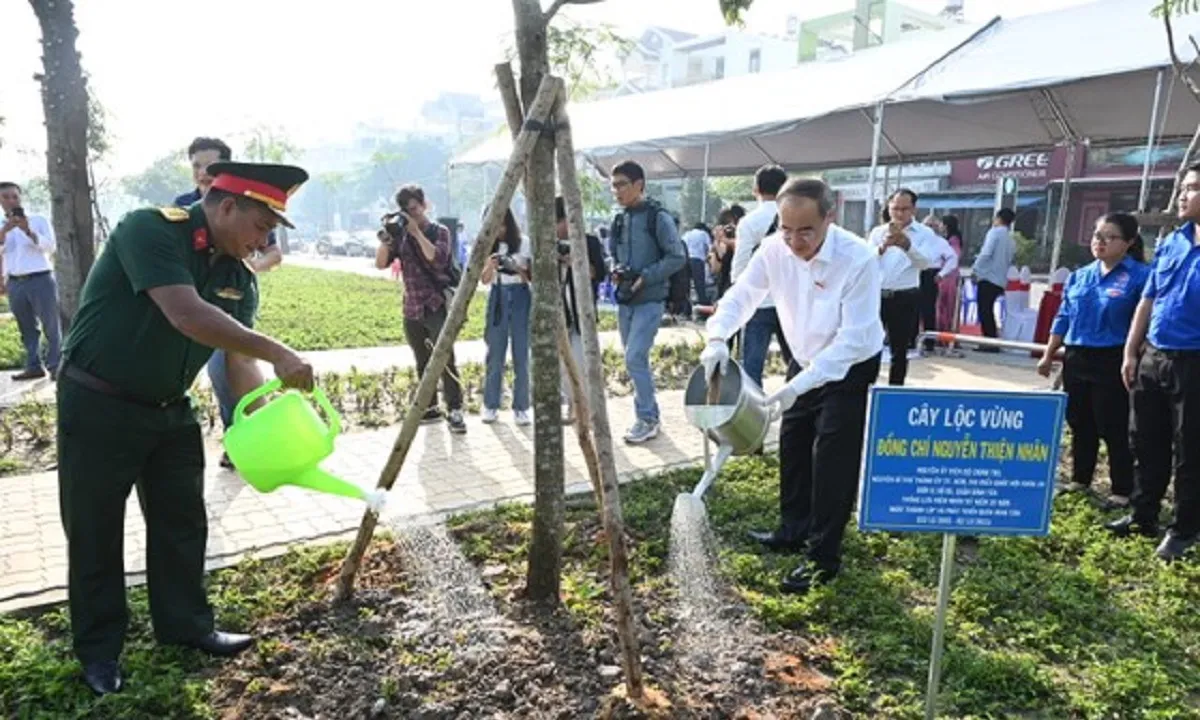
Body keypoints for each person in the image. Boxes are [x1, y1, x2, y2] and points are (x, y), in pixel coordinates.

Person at [56, 162, 316, 696]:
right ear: (226, 206)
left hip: (170, 411)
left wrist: (262, 420)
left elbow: (236, 357)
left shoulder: (236, 275)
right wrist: (280, 351)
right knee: (95, 531)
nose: (264, 242)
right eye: (262, 227)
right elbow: (186, 314)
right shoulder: (149, 229)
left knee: (182, 523)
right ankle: (100, 652)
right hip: (98, 403)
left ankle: (186, 627)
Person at [700, 178, 883, 595]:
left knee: (832, 452)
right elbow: (741, 296)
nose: (795, 240)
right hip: (803, 357)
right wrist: (716, 338)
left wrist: (799, 386)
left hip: (850, 362)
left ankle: (823, 556)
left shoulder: (858, 259)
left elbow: (853, 339)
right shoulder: (773, 249)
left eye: (806, 231)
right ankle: (793, 529)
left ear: (828, 218)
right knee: (794, 438)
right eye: (786, 229)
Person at [176, 137, 284, 468]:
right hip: (128, 397)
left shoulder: (248, 212)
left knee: (226, 372)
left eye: (208, 166)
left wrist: (266, 433)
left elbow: (243, 361)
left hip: (226, 297)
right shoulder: (167, 219)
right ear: (224, 210)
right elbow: (183, 310)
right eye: (196, 166)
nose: (201, 173)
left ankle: (239, 438)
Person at [1111, 162, 1200, 561]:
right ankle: (1143, 513)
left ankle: (1183, 529)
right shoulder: (1172, 241)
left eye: (1192, 188)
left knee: (1190, 448)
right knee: (1144, 439)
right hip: (1155, 356)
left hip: (1194, 362)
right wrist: (1132, 351)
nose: (1183, 195)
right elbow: (1149, 299)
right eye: (1183, 187)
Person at [1038, 213, 1147, 509]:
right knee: (1080, 421)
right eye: (1097, 235)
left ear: (1129, 243)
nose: (1100, 242)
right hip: (1078, 356)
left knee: (1113, 425)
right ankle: (1080, 480)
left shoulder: (1140, 277)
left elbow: (1146, 321)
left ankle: (1122, 490)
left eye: (1109, 237)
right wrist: (1049, 354)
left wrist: (1136, 357)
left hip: (1114, 358)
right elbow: (1063, 317)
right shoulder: (1080, 275)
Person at [375, 184, 467, 434]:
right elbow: (381, 264)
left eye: (415, 208)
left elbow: (436, 259)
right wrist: (386, 240)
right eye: (407, 211)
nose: (412, 214)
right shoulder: (400, 234)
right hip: (412, 307)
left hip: (435, 304)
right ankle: (430, 408)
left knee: (445, 359)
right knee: (422, 361)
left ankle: (456, 409)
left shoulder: (440, 231)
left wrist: (416, 233)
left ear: (424, 205)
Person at [607, 160, 686, 444]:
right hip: (625, 300)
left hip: (650, 300)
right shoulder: (619, 219)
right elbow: (613, 255)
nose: (616, 190)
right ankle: (647, 414)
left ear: (639, 184)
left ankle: (648, 418)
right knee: (633, 361)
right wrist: (616, 270)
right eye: (613, 185)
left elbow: (677, 256)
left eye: (621, 184)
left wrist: (646, 277)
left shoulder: (658, 217)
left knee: (634, 357)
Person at [868, 189, 957, 384]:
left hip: (905, 296)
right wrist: (881, 248)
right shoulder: (878, 232)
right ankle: (868, 387)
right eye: (895, 209)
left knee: (899, 349)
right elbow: (867, 262)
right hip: (878, 294)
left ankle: (894, 391)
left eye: (904, 209)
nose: (899, 214)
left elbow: (926, 263)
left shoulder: (924, 233)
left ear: (913, 209)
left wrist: (907, 246)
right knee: (870, 346)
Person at [732, 164, 793, 388]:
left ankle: (754, 419)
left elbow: (739, 268)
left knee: (751, 368)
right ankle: (801, 412)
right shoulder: (795, 218)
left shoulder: (748, 222)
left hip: (758, 303)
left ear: (755, 188)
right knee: (799, 363)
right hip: (791, 302)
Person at [0, 181, 60, 381]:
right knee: (26, 327)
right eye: (6, 197)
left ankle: (56, 365)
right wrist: (5, 231)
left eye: (14, 197)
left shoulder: (38, 220)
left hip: (40, 277)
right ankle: (33, 366)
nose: (10, 201)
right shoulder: (1, 225)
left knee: (50, 324)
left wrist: (28, 231)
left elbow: (50, 247)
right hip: (15, 281)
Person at [480, 208, 532, 426]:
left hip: (520, 294)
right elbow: (483, 280)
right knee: (495, 353)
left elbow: (531, 276)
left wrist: (517, 267)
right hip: (498, 295)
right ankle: (491, 405)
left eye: (501, 224)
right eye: (493, 225)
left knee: (522, 354)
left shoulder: (523, 243)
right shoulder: (486, 245)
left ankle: (521, 407)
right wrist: (492, 266)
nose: (498, 230)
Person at [556, 196, 606, 423]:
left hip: (583, 313)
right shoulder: (548, 244)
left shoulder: (590, 242)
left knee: (584, 362)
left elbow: (600, 274)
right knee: (565, 365)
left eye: (559, 222)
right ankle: (573, 404)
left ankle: (587, 406)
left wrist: (577, 263)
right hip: (562, 314)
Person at [972, 208, 1017, 349]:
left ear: (998, 218)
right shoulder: (1010, 239)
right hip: (1000, 278)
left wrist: (975, 269)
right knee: (989, 309)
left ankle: (989, 341)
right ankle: (991, 340)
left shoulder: (994, 233)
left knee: (984, 310)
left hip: (987, 276)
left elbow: (986, 253)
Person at [708, 205, 745, 301]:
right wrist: (717, 242)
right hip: (723, 286)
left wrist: (726, 240)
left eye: (733, 224)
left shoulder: (745, 239)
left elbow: (740, 249)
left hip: (740, 286)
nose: (729, 228)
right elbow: (715, 269)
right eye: (725, 224)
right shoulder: (720, 242)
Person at [937, 215, 964, 332]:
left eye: (941, 224)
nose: (939, 226)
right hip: (947, 276)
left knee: (946, 305)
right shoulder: (949, 239)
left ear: (946, 226)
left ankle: (946, 331)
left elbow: (954, 257)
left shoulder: (953, 240)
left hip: (948, 278)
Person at [682, 222, 713, 307]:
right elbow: (710, 247)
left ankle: (686, 307)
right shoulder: (703, 234)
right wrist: (707, 258)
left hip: (686, 260)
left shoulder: (687, 234)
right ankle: (702, 303)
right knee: (699, 284)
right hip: (698, 260)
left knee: (686, 285)